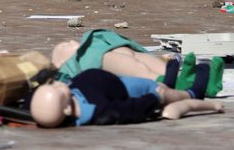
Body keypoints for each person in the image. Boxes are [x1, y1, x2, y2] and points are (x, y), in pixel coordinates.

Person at [51, 29, 225, 98]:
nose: (71, 42)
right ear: (60, 64)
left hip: (110, 46)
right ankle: (169, 81)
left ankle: (198, 80)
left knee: (142, 58)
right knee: (137, 68)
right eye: (65, 46)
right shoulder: (75, 64)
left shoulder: (91, 43)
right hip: (97, 59)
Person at [30, 68, 223, 127]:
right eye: (58, 90)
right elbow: (130, 109)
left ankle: (170, 83)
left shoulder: (58, 101)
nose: (57, 84)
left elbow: (32, 100)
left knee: (159, 86)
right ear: (66, 109)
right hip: (125, 89)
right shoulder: (100, 111)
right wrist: (153, 98)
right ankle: (192, 93)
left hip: (112, 80)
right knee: (160, 90)